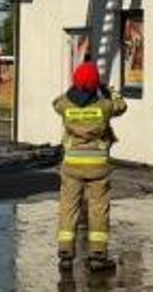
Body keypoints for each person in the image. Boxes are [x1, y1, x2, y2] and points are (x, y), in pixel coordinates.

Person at [54, 59, 126, 272]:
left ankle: (66, 254)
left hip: (72, 165)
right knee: (98, 209)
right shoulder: (104, 106)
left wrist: (74, 89)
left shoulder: (65, 106)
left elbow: (56, 102)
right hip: (98, 166)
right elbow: (121, 106)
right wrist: (108, 90)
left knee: (69, 208)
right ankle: (97, 256)